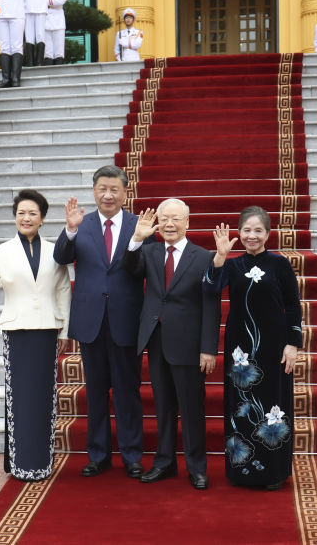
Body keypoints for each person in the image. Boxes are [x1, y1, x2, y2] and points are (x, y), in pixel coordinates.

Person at [53, 166, 149, 479]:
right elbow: (60, 258)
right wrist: (70, 230)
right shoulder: (81, 223)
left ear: (125, 192)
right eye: (102, 189)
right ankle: (98, 455)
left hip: (126, 318)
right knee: (95, 391)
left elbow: (142, 269)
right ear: (94, 191)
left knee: (127, 391)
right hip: (91, 319)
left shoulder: (138, 225)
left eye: (114, 189)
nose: (108, 195)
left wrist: (137, 241)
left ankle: (132, 455)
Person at [121, 199, 220, 490]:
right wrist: (136, 240)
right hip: (157, 340)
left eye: (175, 219)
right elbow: (130, 269)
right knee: (163, 408)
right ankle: (164, 462)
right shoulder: (149, 251)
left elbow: (211, 304)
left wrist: (208, 348)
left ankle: (197, 467)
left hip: (189, 344)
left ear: (187, 222)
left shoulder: (203, 257)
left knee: (191, 409)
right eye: (164, 219)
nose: (169, 224)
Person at [205, 207, 301, 490]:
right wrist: (220, 256)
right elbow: (210, 289)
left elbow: (293, 306)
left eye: (258, 230)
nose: (252, 236)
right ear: (239, 233)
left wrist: (293, 344)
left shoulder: (280, 264)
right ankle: (242, 472)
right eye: (247, 230)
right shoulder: (232, 265)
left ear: (268, 234)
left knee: (274, 407)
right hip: (241, 353)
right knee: (241, 407)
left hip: (274, 348)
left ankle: (273, 473)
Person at [0, 189, 70, 481]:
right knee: (19, 398)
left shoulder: (55, 250)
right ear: (15, 217)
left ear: (42, 218)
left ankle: (42, 463)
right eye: (21, 213)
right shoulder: (2, 251)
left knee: (43, 397)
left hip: (47, 331)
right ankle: (20, 463)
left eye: (32, 213)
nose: (26, 218)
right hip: (16, 332)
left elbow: (63, 289)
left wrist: (65, 330)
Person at [23, 0, 51, 66]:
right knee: (29, 35)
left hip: (40, 3)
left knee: (40, 34)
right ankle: (30, 63)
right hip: (27, 3)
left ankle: (39, 62)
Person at [44, 0, 68, 65]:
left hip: (58, 21)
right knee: (47, 53)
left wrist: (43, 1)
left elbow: (60, 0)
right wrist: (51, 0)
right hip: (44, 20)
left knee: (59, 52)